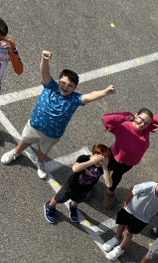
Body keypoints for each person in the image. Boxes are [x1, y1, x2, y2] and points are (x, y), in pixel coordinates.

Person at [0, 50, 115, 178]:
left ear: (75, 88)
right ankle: (15, 152)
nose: (66, 86)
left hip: (53, 134)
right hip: (34, 125)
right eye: (63, 83)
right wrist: (45, 59)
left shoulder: (75, 99)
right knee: (25, 141)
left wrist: (105, 92)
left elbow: (90, 96)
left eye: (70, 85)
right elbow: (45, 71)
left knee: (44, 151)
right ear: (58, 80)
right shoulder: (50, 85)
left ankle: (41, 163)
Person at [101, 108, 158, 207]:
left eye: (146, 123)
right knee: (98, 170)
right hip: (113, 156)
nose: (142, 124)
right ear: (136, 115)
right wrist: (127, 116)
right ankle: (86, 184)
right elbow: (106, 119)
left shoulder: (147, 128)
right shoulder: (124, 126)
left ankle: (109, 192)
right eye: (141, 120)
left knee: (117, 176)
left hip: (128, 163)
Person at [101, 175, 158, 261]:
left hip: (142, 218)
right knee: (122, 223)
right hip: (130, 210)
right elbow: (132, 190)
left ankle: (120, 247)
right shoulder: (149, 186)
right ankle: (116, 238)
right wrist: (125, 201)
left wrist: (150, 218)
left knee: (129, 232)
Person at [43, 144, 113, 225]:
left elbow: (109, 184)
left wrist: (105, 167)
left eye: (104, 159)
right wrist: (91, 162)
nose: (100, 162)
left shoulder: (103, 168)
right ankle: (50, 205)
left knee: (78, 200)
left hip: (85, 189)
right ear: (93, 154)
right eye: (99, 158)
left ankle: (73, 206)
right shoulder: (84, 158)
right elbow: (75, 168)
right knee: (60, 198)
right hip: (72, 186)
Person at [0, 18, 23, 91]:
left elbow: (19, 70)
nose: (2, 41)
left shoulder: (10, 44)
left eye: (3, 38)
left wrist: (10, 52)